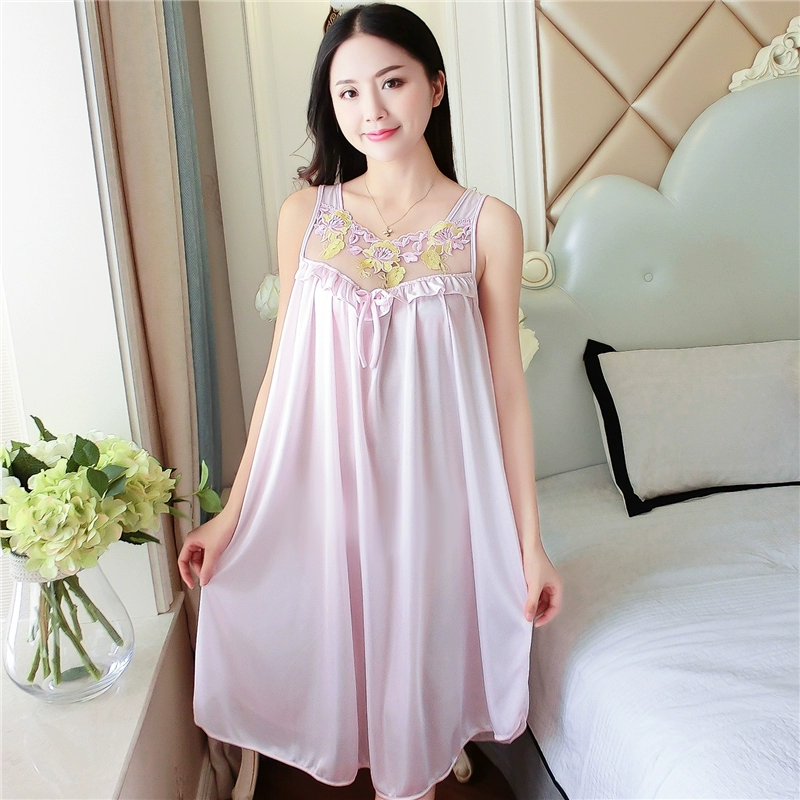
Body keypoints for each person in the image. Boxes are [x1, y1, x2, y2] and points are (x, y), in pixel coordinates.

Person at [179, 4, 563, 799]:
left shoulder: (487, 225)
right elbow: (281, 376)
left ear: (435, 86)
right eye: (348, 92)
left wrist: (530, 545)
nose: (372, 110)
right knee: (338, 689)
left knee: (413, 730)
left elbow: (507, 393)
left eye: (391, 83)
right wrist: (233, 514)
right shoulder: (305, 216)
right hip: (328, 498)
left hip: (432, 509)